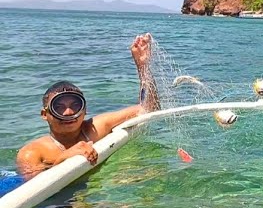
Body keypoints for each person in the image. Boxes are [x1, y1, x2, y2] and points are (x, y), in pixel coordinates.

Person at [15, 33, 161, 181]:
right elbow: (33, 191)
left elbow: (149, 108)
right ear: (44, 114)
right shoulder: (32, 153)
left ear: (84, 111)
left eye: (75, 105)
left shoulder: (94, 129)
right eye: (59, 107)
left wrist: (142, 66)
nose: (69, 112)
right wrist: (64, 158)